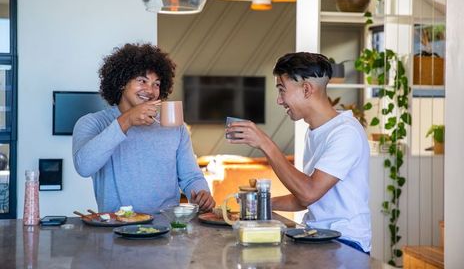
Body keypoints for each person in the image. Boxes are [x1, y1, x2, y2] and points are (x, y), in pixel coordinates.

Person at [226, 52, 371, 253]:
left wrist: (265, 143)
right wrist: (259, 203)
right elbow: (306, 196)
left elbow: (308, 193)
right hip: (315, 235)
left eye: (281, 90)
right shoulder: (314, 132)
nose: (279, 100)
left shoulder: (346, 132)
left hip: (346, 243)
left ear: (306, 89)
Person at [72, 43, 215, 214]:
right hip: (115, 232)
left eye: (156, 84)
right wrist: (127, 121)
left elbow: (191, 177)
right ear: (121, 83)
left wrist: (202, 194)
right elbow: (84, 166)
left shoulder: (175, 127)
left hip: (166, 232)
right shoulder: (92, 123)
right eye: (142, 81)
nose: (150, 90)